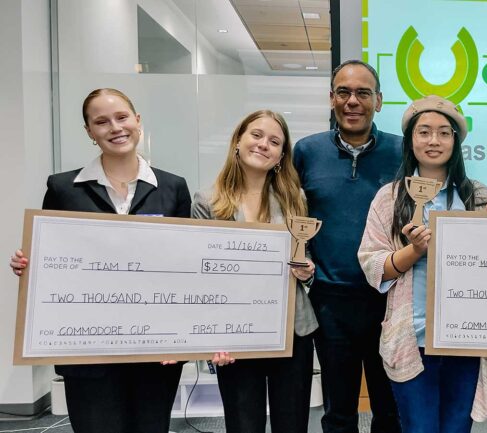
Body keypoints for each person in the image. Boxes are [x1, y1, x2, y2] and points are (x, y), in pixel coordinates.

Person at [9, 88, 191, 433]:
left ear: (137, 120)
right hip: (87, 348)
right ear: (89, 132)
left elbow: (181, 268)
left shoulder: (173, 187)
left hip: (153, 347)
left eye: (122, 117)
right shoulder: (64, 188)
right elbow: (51, 259)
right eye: (101, 121)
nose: (115, 127)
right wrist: (30, 265)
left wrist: (180, 336)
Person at [358, 95, 487, 433]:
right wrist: (412, 251)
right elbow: (372, 263)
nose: (434, 141)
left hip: (464, 336)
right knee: (419, 428)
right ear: (411, 140)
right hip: (412, 336)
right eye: (424, 132)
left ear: (456, 140)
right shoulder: (389, 197)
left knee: (456, 428)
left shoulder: (477, 196)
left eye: (443, 132)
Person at [191, 110, 318, 433]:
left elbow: (307, 259)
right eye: (256, 135)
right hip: (236, 334)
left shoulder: (295, 200)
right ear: (238, 141)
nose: (264, 145)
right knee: (243, 424)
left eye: (274, 142)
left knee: (292, 425)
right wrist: (211, 337)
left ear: (281, 156)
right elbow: (199, 276)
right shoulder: (207, 202)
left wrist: (308, 272)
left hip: (291, 331)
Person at [292, 60, 401, 433]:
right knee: (338, 411)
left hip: (389, 298)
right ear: (331, 99)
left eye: (363, 93)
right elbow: (290, 213)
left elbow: (445, 188)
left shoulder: (404, 152)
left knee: (390, 409)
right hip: (330, 301)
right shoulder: (306, 151)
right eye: (343, 92)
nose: (352, 101)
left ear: (379, 101)